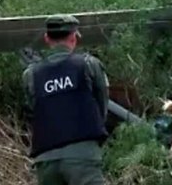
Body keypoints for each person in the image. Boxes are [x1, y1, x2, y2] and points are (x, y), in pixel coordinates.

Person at [22, 14, 109, 185]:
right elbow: (102, 106)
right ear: (74, 37)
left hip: (46, 159)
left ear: (47, 38)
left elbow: (33, 110)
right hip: (83, 156)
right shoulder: (88, 65)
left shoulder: (31, 75)